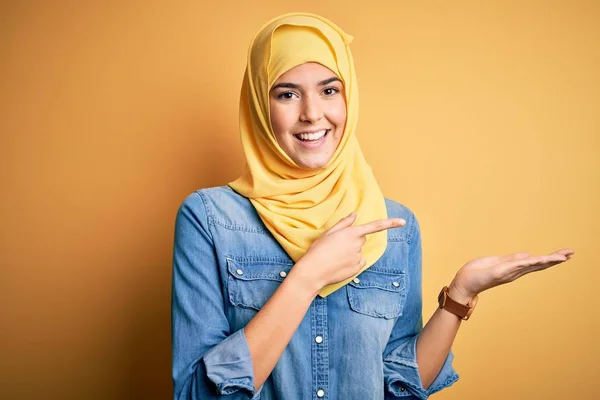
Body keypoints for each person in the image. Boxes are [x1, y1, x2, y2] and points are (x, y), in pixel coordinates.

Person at [171, 12, 574, 400]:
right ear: (259, 105)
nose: (312, 114)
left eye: (329, 90)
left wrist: (460, 295)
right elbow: (194, 394)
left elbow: (400, 383)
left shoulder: (393, 226)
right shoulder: (209, 218)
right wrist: (307, 277)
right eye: (287, 94)